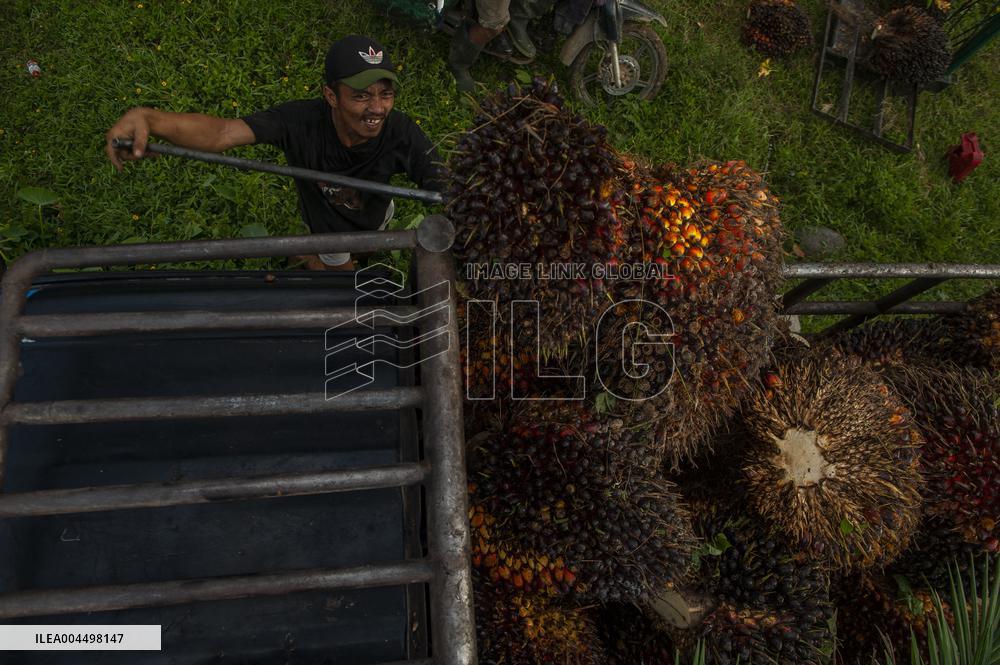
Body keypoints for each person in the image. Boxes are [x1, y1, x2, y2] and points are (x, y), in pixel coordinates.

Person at [106, 35, 446, 270]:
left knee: (370, 244)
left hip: (375, 213)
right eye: (360, 96)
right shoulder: (299, 122)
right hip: (328, 229)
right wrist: (150, 118)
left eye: (385, 95)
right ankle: (315, 258)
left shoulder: (401, 132)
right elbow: (223, 133)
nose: (376, 109)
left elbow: (445, 184)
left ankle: (348, 252)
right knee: (343, 280)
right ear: (331, 96)